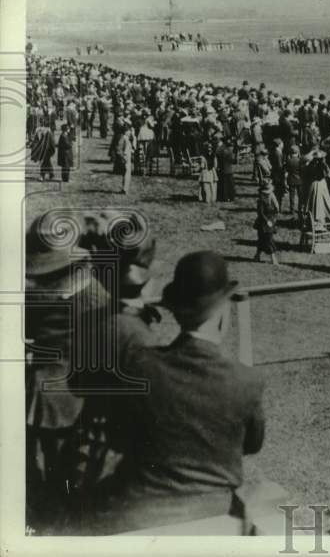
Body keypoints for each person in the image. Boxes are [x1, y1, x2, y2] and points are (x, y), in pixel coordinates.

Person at [88, 251, 265, 534]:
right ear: (222, 311)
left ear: (176, 310)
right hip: (214, 516)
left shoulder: (141, 366)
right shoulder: (245, 379)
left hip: (139, 515)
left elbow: (119, 436)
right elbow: (252, 443)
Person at [25, 212, 113, 530]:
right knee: (68, 480)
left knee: (54, 475)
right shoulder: (97, 300)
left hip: (48, 395)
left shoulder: (40, 297)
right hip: (72, 401)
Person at [253, 180, 280, 264]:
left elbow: (276, 210)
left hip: (270, 222)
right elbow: (260, 213)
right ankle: (273, 259)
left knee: (262, 241)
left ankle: (257, 256)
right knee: (269, 240)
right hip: (263, 224)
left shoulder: (271, 198)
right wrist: (267, 221)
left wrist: (274, 218)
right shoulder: (261, 200)